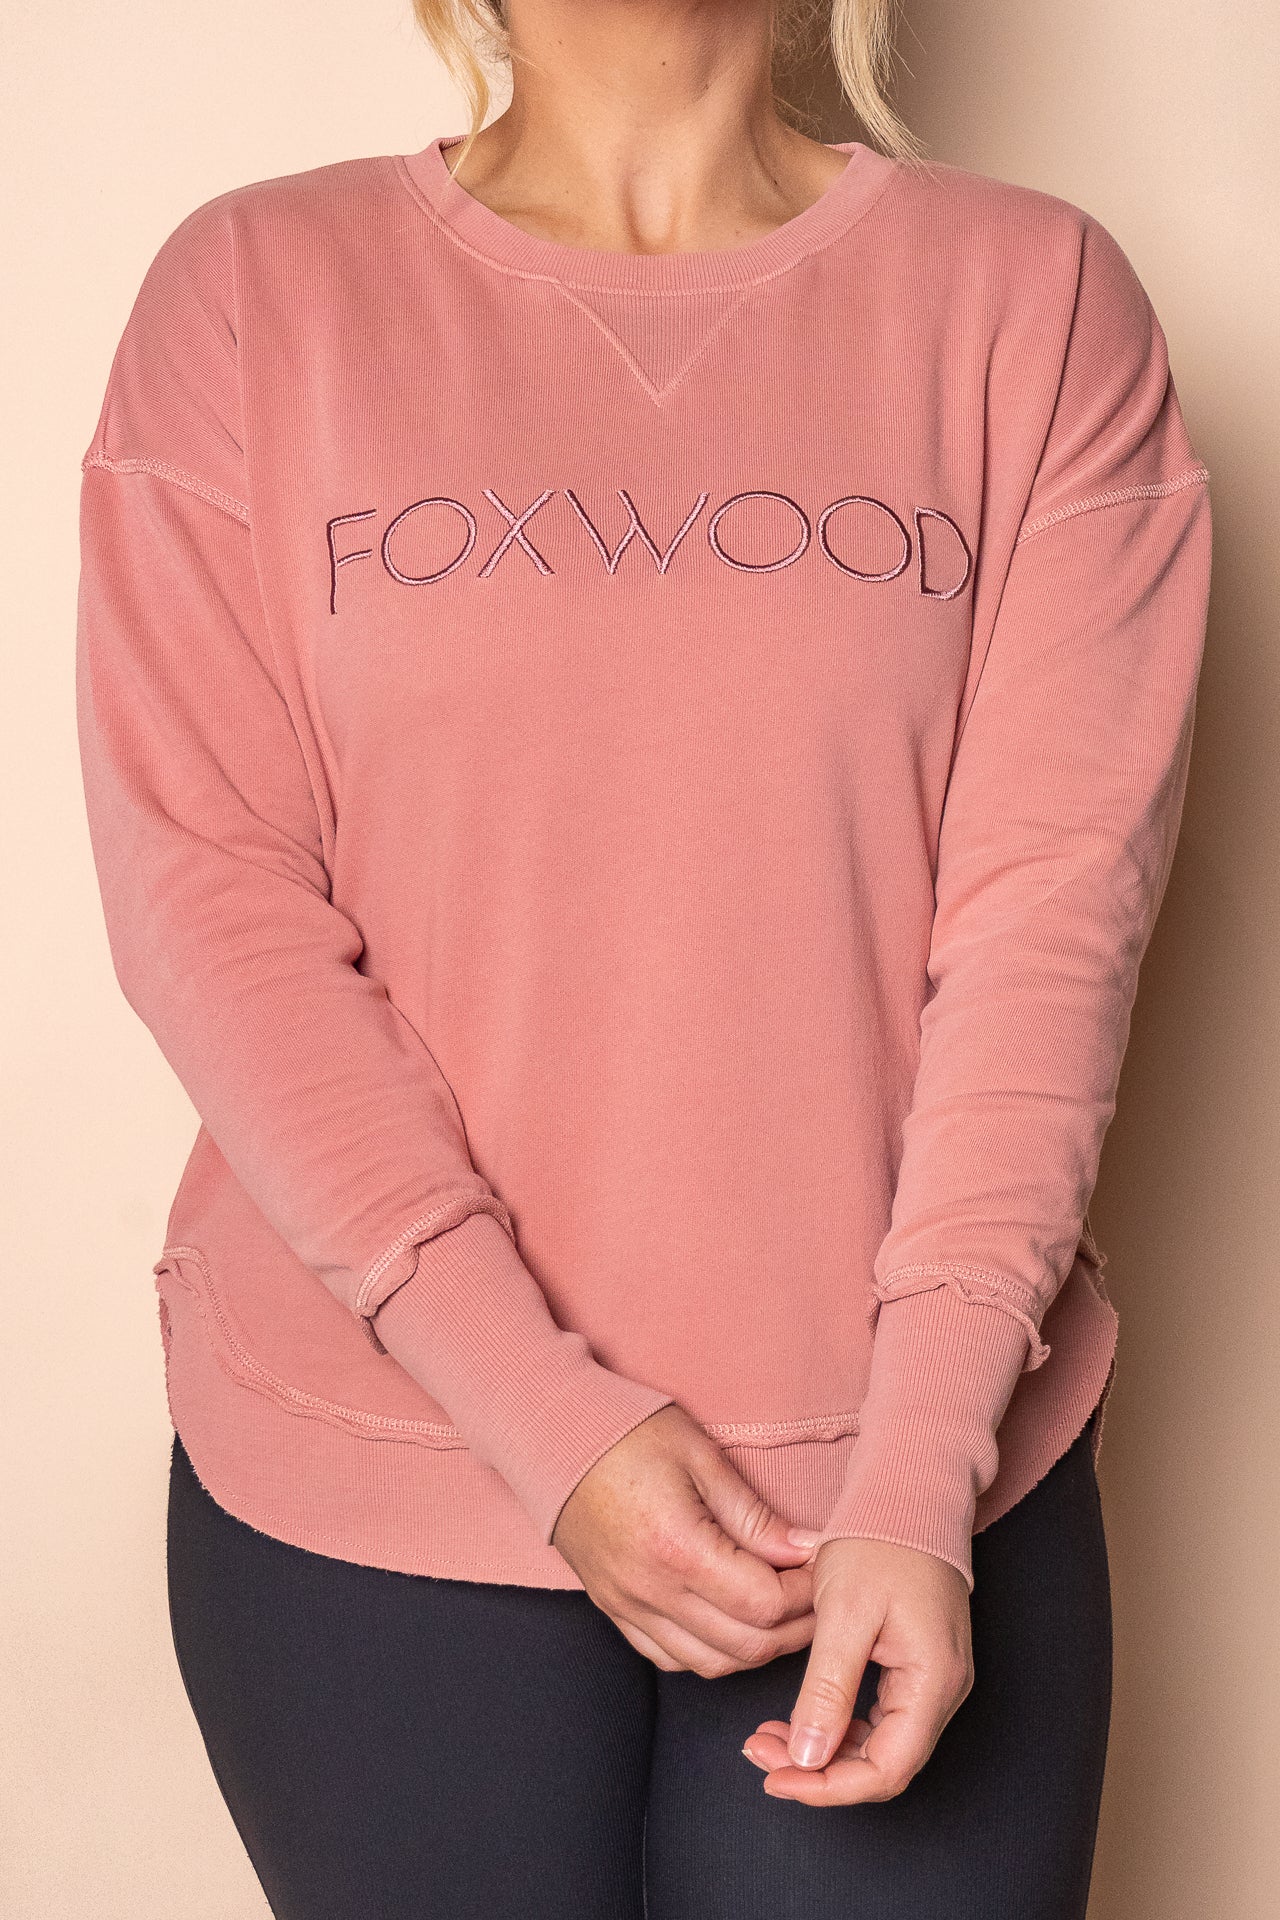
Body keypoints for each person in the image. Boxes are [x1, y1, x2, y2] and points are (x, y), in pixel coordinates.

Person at [74, 1, 1212, 1914]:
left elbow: (1052, 924)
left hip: (906, 1493)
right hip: (386, 1481)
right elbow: (212, 900)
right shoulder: (260, 293)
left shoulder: (1031, 302)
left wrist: (919, 1460)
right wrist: (539, 1412)